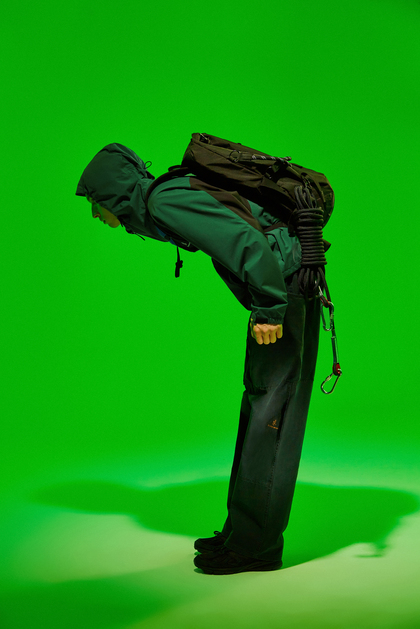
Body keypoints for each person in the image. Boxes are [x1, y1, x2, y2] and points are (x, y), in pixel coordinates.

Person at [75, 142, 321, 575]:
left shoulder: (165, 199)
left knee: (272, 414)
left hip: (283, 287)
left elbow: (247, 240)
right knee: (261, 405)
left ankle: (256, 547)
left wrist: (269, 307)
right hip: (283, 282)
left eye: (96, 203)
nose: (96, 215)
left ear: (113, 193)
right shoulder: (167, 199)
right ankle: (242, 533)